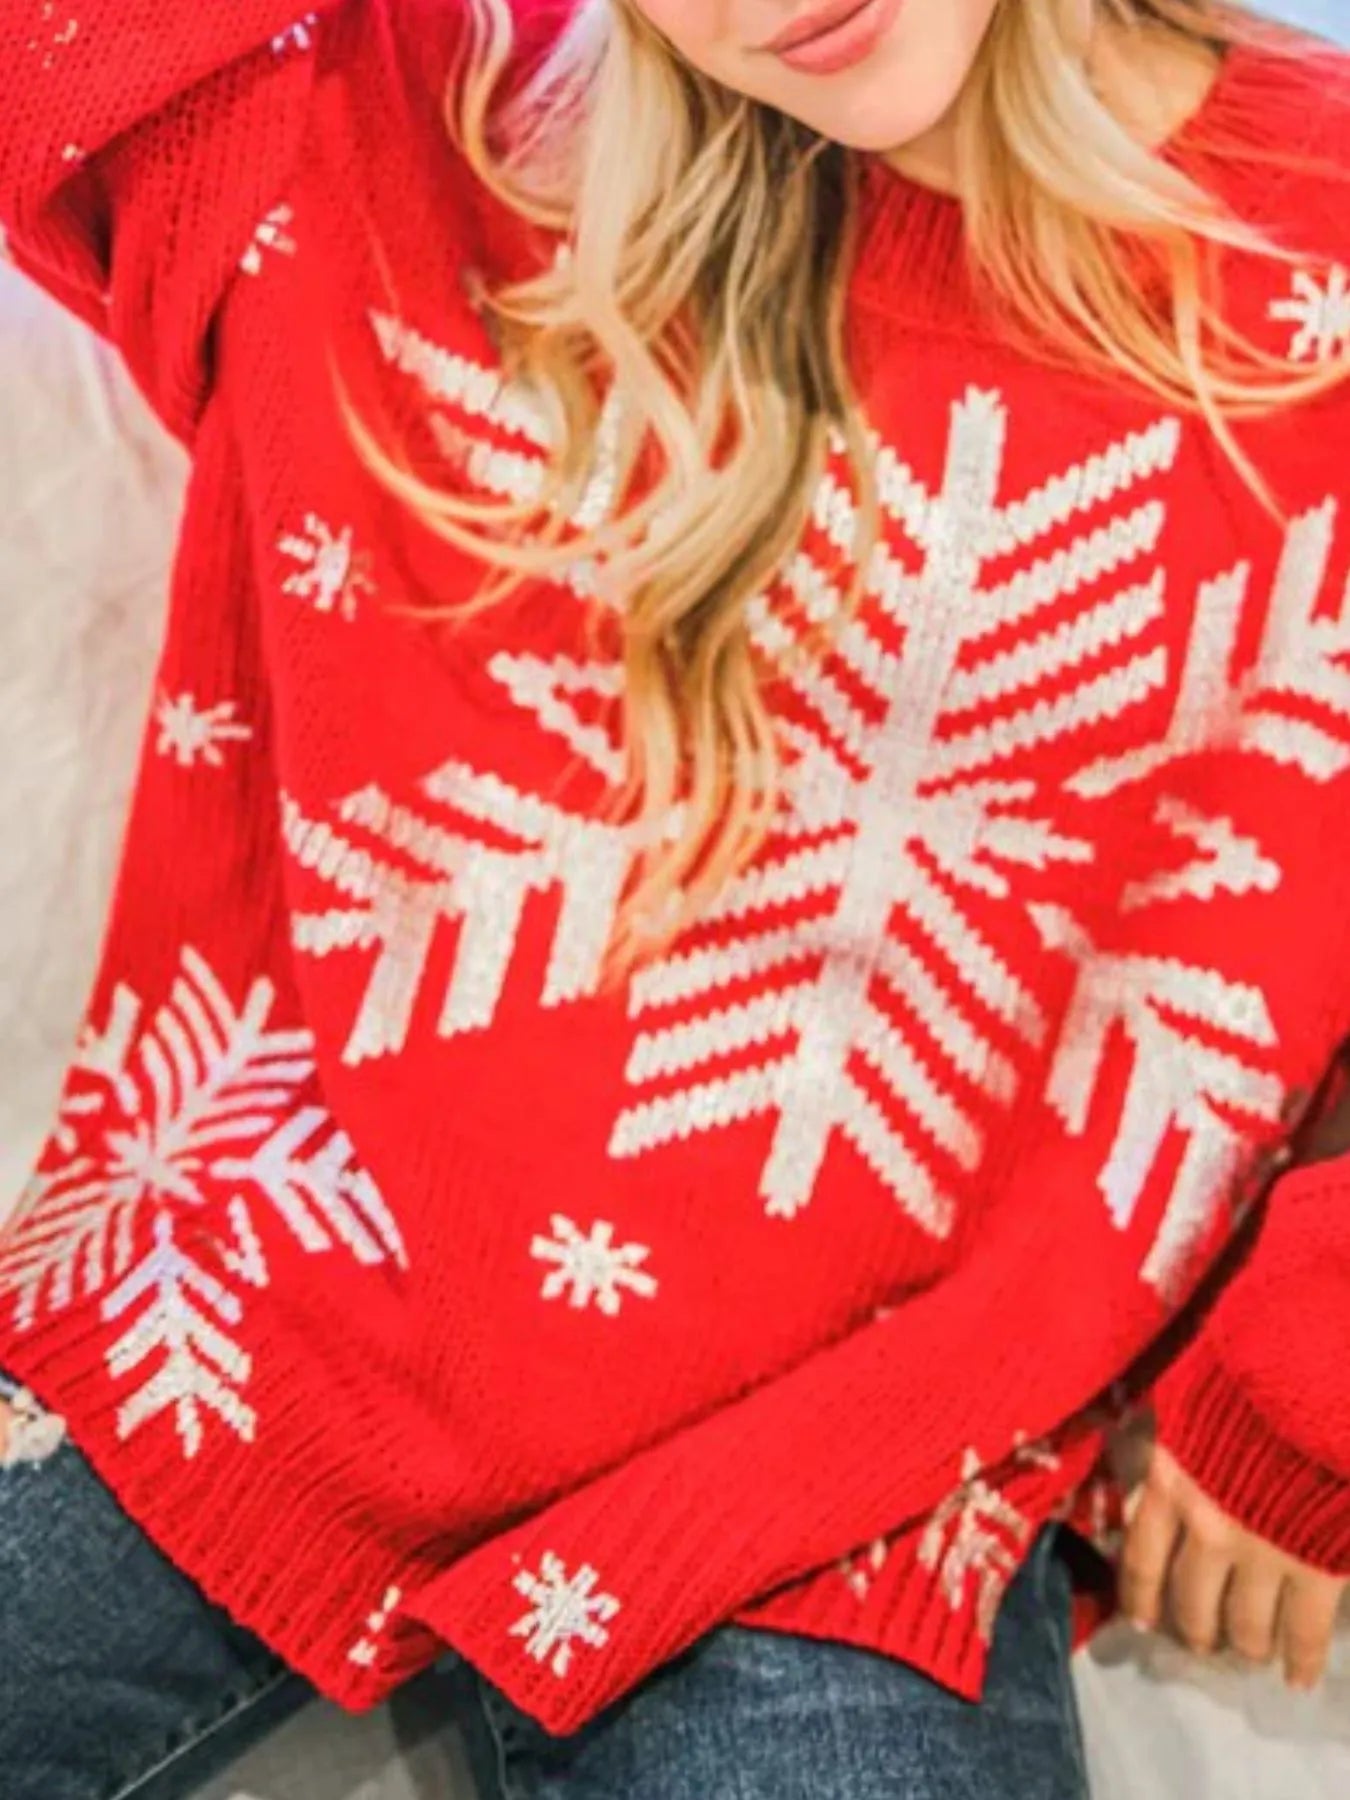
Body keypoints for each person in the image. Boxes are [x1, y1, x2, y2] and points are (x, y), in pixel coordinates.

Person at [1, 2, 1348, 1795]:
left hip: (851, 1491)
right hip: (252, 1312)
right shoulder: (404, 121)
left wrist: (1306, 1380)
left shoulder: (1314, 251)